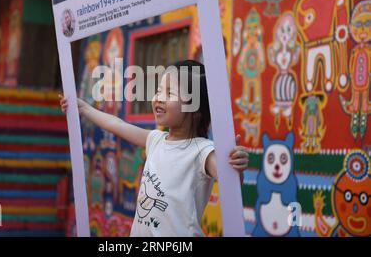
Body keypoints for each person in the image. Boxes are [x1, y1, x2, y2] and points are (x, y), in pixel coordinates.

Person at [59, 60, 249, 236]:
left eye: (169, 93)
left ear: (195, 110)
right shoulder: (156, 140)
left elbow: (229, 181)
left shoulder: (202, 151)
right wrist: (83, 108)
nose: (158, 98)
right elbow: (114, 124)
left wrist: (235, 164)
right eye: (158, 91)